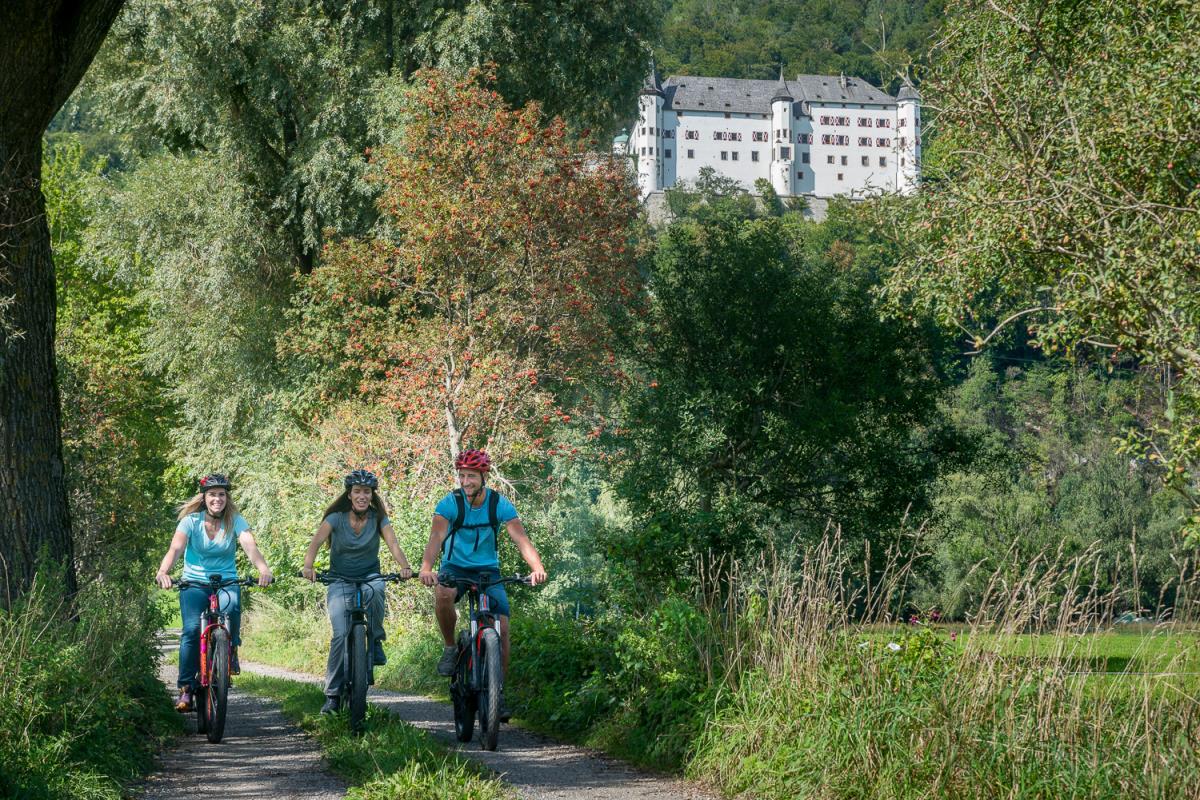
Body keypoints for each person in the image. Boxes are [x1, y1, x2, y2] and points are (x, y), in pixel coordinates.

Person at [418, 449, 547, 720]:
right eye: (462, 475)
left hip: (488, 570)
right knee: (442, 594)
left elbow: (521, 540)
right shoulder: (449, 504)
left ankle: (497, 694)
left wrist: (537, 568)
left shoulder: (498, 504)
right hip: (455, 567)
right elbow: (436, 538)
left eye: (471, 476)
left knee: (502, 627)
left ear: (483, 476)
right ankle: (452, 647)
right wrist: (427, 568)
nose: (466, 482)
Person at [155, 473, 274, 712]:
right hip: (194, 583)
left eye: (221, 494)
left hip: (226, 580)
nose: (217, 499)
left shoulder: (235, 520)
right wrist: (163, 571)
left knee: (231, 608)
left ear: (227, 498)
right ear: (204, 497)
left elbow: (250, 546)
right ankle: (186, 688)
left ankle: (231, 650)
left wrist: (263, 569)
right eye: (212, 495)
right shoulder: (190, 521)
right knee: (190, 630)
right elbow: (176, 548)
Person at [301, 469, 413, 714]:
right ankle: (332, 697)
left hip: (370, 575)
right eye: (357, 491)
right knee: (340, 634)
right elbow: (316, 542)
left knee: (378, 589)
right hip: (339, 578)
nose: (362, 496)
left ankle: (375, 639)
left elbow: (393, 544)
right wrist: (308, 566)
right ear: (349, 495)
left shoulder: (378, 518)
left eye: (366, 491)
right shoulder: (335, 518)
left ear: (372, 495)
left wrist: (404, 566)